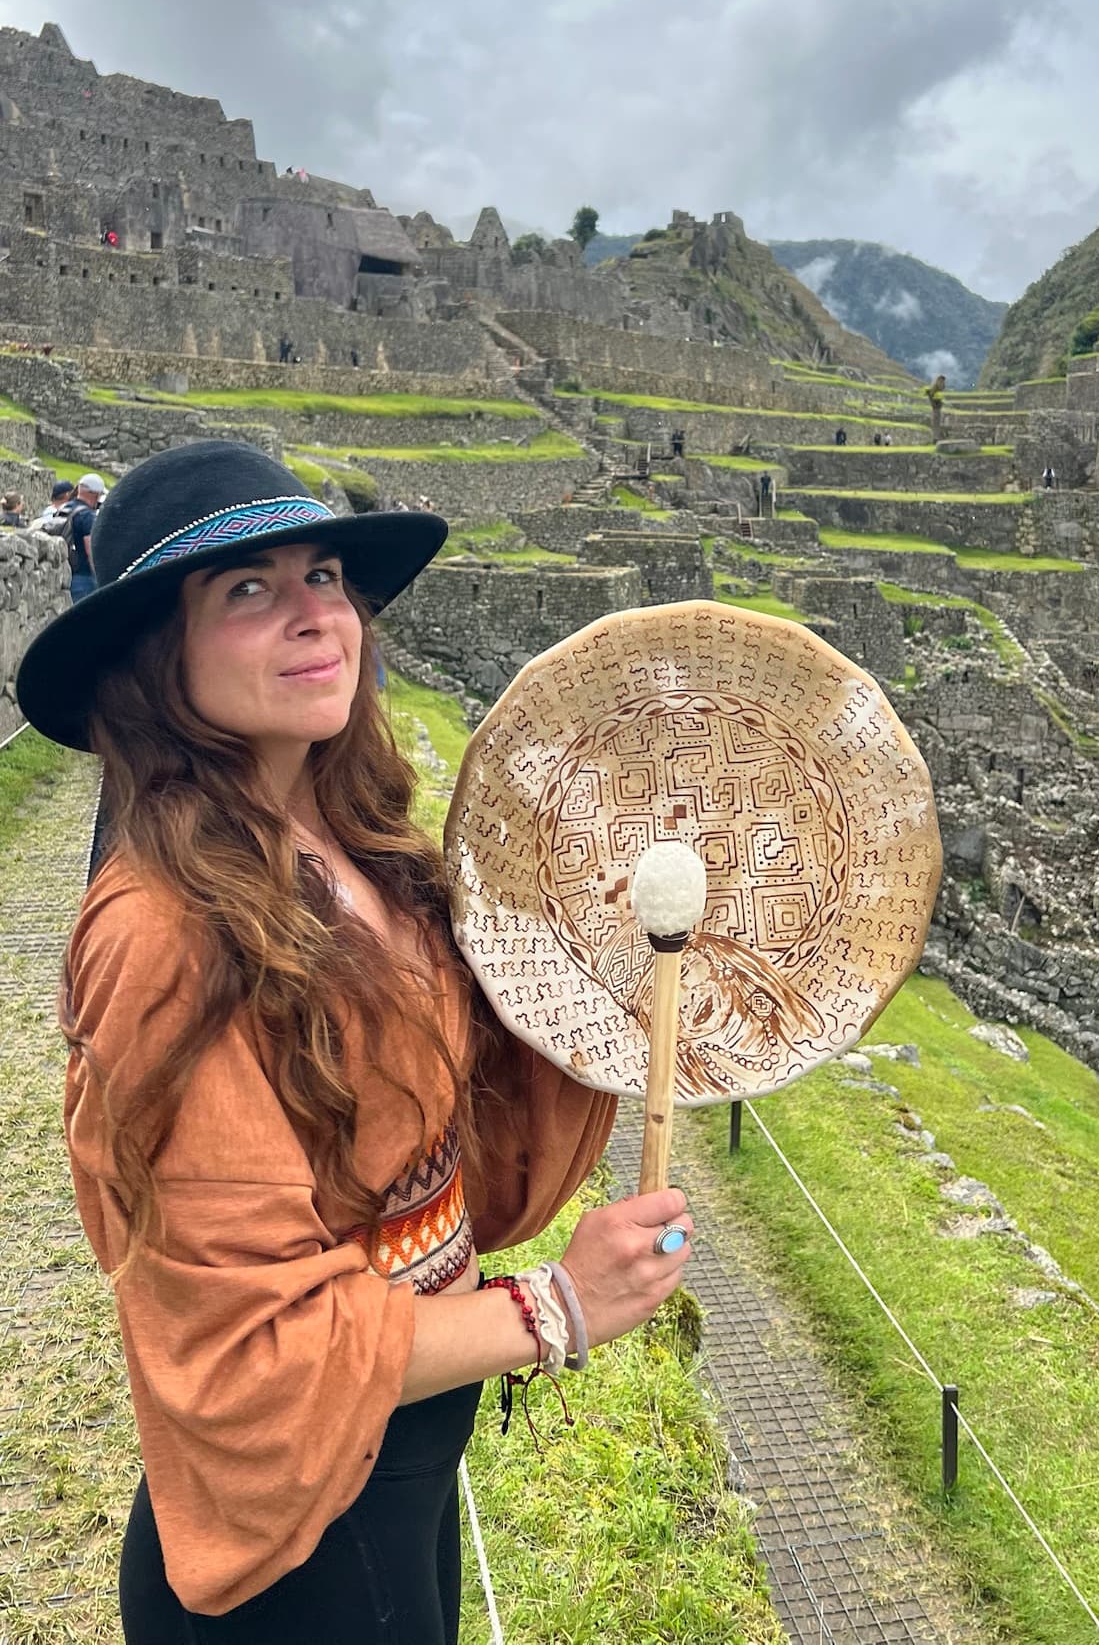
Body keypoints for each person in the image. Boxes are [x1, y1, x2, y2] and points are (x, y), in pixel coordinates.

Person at [15, 442, 691, 1641]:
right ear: (151, 657)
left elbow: (443, 1120)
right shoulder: (162, 933)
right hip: (300, 1549)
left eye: (324, 572)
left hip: (404, 1459)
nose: (315, 614)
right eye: (247, 589)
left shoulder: (350, 837)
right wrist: (558, 1307)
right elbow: (246, 1348)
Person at [66, 473, 106, 601]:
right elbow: (91, 550)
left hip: (65, 573)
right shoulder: (87, 516)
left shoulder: (64, 509)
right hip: (83, 578)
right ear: (95, 494)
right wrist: (99, 577)